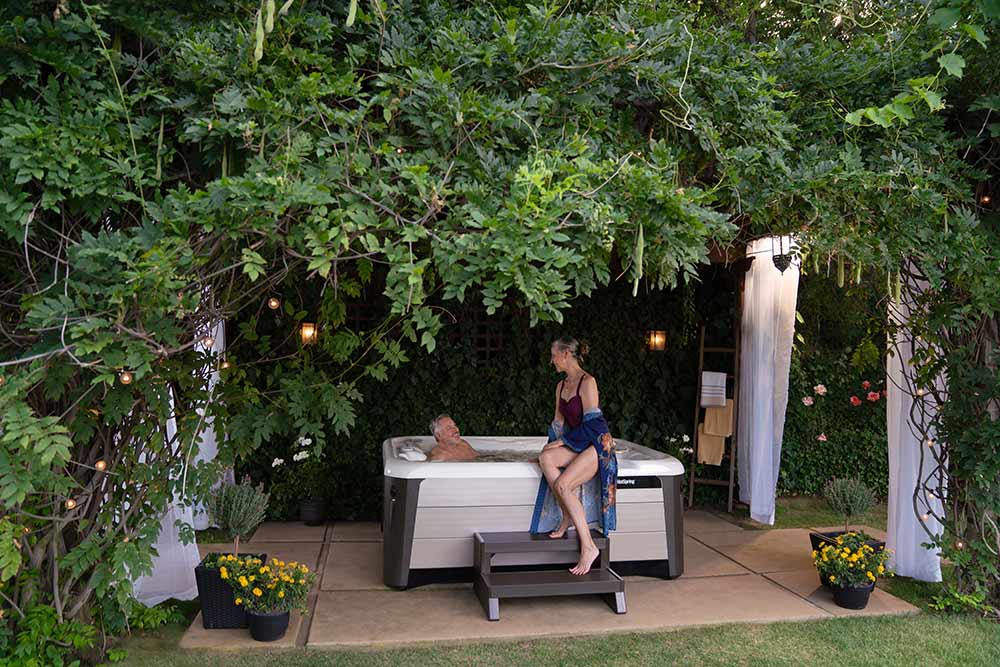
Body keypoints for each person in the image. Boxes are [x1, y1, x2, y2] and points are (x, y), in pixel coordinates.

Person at [532, 336, 618, 576]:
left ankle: (589, 547)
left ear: (566, 355)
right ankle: (568, 515)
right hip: (577, 443)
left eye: (554, 355)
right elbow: (558, 425)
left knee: (562, 484)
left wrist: (562, 442)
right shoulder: (560, 386)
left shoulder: (587, 382)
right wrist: (550, 446)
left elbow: (594, 426)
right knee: (545, 459)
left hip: (597, 444)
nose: (552, 360)